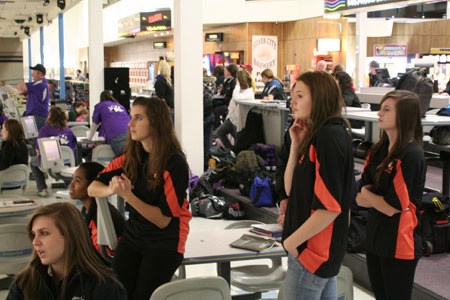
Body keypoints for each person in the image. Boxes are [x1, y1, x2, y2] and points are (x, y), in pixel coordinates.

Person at [87, 96, 192, 300]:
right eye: (131, 117)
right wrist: (113, 189)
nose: (130, 124)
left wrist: (127, 195)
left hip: (166, 242)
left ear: (156, 122)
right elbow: (93, 188)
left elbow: (163, 220)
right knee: (117, 293)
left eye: (138, 118)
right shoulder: (130, 158)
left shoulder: (174, 163)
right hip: (134, 236)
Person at [281, 71, 354, 299]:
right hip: (313, 250)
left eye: (300, 96)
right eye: (293, 95)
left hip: (312, 252)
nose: (293, 101)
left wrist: (292, 241)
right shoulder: (317, 135)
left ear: (320, 97)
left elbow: (329, 208)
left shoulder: (329, 137)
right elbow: (291, 190)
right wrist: (295, 146)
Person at [356, 90, 426, 300]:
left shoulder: (411, 154)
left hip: (400, 243)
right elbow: (359, 198)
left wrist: (370, 197)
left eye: (386, 109)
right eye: (380, 108)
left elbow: (392, 207)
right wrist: (371, 198)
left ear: (403, 116)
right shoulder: (378, 150)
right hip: (376, 238)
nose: (379, 113)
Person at [6, 202, 127, 300]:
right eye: (34, 235)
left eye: (44, 233)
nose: (35, 242)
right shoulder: (24, 283)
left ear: (70, 236)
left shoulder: (105, 288)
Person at [69, 161, 124, 254]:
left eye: (78, 180)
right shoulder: (88, 210)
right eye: (72, 179)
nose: (71, 183)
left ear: (92, 185)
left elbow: (98, 255)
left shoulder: (100, 217)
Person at [31, 106, 77, 197]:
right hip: (67, 164)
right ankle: (68, 183)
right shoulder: (69, 131)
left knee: (33, 162)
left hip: (49, 164)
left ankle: (42, 189)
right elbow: (74, 147)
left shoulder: (44, 130)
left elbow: (38, 150)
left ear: (50, 117)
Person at [213, 69, 255, 149]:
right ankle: (230, 150)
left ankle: (233, 152)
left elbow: (236, 98)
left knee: (238, 143)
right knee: (219, 132)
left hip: (239, 122)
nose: (236, 80)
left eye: (237, 79)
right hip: (231, 119)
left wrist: (237, 85)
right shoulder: (239, 90)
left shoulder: (249, 92)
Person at [88, 90, 130, 156]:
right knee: (129, 156)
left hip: (115, 134)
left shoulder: (100, 106)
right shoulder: (120, 106)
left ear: (101, 98)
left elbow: (95, 124)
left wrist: (90, 138)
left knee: (123, 158)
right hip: (129, 133)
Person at [16, 64, 50, 130]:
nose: (32, 75)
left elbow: (20, 86)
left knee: (33, 138)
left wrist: (21, 88)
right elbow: (19, 92)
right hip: (35, 116)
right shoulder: (38, 85)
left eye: (33, 72)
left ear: (39, 73)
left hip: (38, 117)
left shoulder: (39, 84)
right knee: (30, 137)